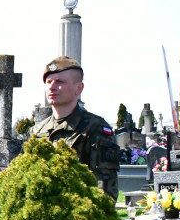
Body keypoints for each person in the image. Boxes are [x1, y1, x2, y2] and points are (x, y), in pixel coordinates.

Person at [31, 56, 120, 200]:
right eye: (48, 82)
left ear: (79, 88)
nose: (52, 87)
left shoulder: (95, 128)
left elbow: (105, 190)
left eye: (59, 82)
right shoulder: (37, 131)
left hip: (80, 216)